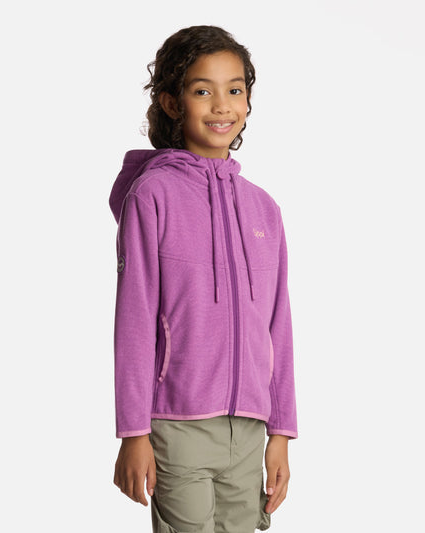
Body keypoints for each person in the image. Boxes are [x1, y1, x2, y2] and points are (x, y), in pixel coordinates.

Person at [110, 25, 298, 533]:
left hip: (250, 430)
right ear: (172, 103)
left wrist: (281, 430)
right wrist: (133, 431)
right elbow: (135, 320)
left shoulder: (264, 208)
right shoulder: (153, 196)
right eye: (202, 90)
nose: (222, 106)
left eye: (234, 89)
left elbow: (277, 325)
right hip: (178, 425)